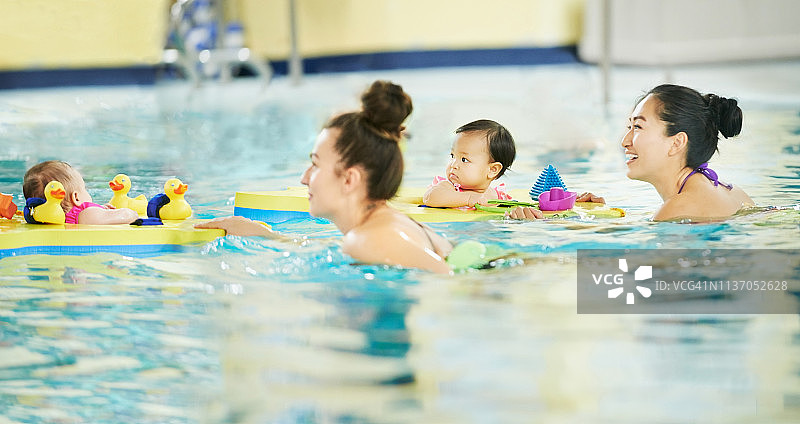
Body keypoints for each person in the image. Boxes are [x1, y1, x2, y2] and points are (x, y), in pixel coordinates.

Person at [196, 81, 453, 273]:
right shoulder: (388, 225)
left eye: (315, 165)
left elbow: (450, 280)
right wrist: (267, 235)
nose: (304, 178)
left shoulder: (368, 239)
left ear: (349, 180)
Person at [506, 84, 754, 221]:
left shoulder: (677, 209)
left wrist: (539, 230)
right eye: (629, 127)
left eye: (637, 127)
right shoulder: (734, 194)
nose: (625, 141)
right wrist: (598, 215)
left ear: (676, 143)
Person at [423, 119, 516, 208]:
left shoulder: (496, 196)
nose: (453, 165)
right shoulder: (447, 188)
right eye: (453, 156)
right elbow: (429, 198)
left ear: (492, 170)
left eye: (464, 159)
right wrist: (468, 198)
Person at [23, 160, 139, 224]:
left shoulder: (47, 219)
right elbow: (126, 215)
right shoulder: (86, 215)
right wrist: (133, 213)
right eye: (84, 188)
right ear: (76, 198)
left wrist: (101, 209)